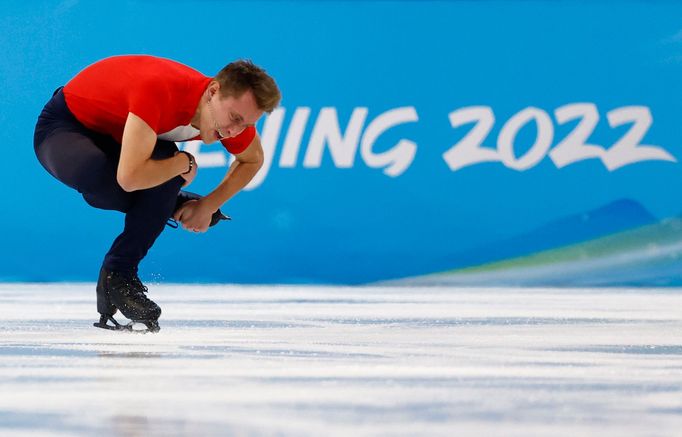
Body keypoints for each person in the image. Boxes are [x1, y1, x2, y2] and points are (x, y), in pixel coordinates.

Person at [33, 55, 281, 332]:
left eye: (246, 125)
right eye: (234, 118)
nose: (234, 131)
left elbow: (252, 159)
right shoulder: (161, 91)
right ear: (213, 91)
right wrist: (182, 163)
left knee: (160, 168)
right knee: (108, 179)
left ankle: (119, 274)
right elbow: (128, 179)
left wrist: (209, 205)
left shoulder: (229, 118)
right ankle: (168, 202)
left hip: (127, 141)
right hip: (69, 126)